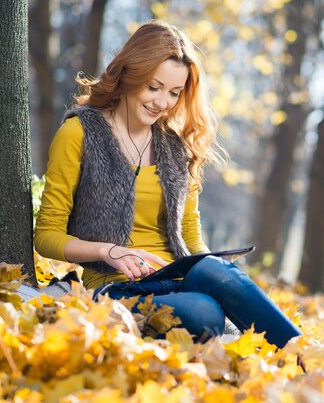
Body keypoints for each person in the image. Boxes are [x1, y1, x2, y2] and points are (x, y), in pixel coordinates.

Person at [34, 20, 301, 347]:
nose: (162, 102)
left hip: (180, 278)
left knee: (213, 272)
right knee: (205, 314)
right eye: (154, 87)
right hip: (119, 288)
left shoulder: (176, 146)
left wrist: (213, 269)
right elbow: (46, 235)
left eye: (174, 93)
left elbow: (189, 230)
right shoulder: (79, 133)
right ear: (131, 73)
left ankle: (309, 354)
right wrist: (110, 252)